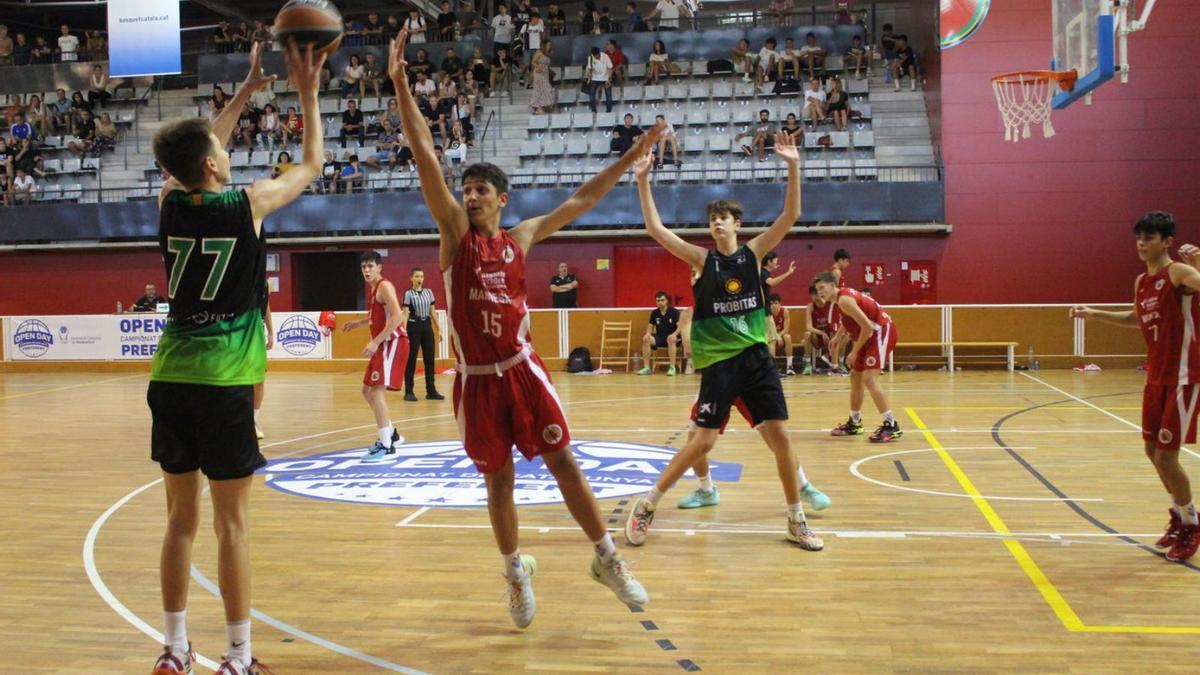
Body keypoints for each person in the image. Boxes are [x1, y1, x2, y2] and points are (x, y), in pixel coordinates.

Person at [387, 28, 661, 628]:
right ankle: (515, 573)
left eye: (482, 190)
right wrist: (401, 84)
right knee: (499, 483)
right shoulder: (455, 238)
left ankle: (607, 560)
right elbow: (427, 157)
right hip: (478, 380)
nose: (471, 195)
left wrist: (629, 156)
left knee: (566, 463)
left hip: (523, 369)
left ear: (502, 199)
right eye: (467, 190)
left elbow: (583, 200)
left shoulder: (520, 237)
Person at [146, 40, 326, 675]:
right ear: (215, 168)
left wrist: (245, 92)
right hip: (224, 380)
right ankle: (240, 658)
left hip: (170, 373)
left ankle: (173, 650)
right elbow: (311, 162)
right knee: (232, 528)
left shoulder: (170, 203)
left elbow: (193, 154)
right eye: (222, 152)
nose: (228, 151)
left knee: (178, 523)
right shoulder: (246, 203)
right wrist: (305, 87)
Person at [624, 130, 825, 552]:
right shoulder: (703, 259)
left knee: (781, 437)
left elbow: (790, 216)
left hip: (755, 359)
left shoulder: (753, 254)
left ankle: (796, 517)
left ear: (738, 224)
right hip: (719, 365)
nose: (717, 222)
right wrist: (643, 180)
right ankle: (647, 505)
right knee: (703, 440)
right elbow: (655, 229)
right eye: (712, 218)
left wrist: (792, 166)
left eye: (725, 217)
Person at [1070, 212, 1200, 562]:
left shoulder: (1180, 273)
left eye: (1150, 238)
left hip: (1183, 376)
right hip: (1155, 376)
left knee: (1166, 457)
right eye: (1139, 238)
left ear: (1167, 241)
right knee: (1150, 451)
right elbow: (1135, 317)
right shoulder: (1142, 281)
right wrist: (1094, 313)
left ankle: (1191, 522)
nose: (1142, 244)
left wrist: (1199, 262)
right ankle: (1179, 513)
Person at [340, 252, 410, 461]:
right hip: (385, 344)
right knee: (367, 391)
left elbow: (398, 315)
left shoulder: (384, 286)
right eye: (363, 267)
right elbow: (377, 316)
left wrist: (376, 341)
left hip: (393, 342)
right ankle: (392, 435)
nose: (366, 271)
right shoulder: (374, 290)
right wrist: (358, 323)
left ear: (379, 267)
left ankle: (387, 446)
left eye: (370, 266)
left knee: (377, 392)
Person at [816, 274, 901, 443]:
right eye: (817, 290)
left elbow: (867, 327)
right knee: (856, 377)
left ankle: (891, 425)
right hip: (870, 335)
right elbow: (850, 319)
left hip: (880, 332)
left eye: (822, 288)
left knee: (869, 379)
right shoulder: (841, 300)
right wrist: (838, 337)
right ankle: (855, 422)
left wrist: (854, 351)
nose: (820, 293)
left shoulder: (843, 300)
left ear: (833, 285)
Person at [402, 267, 445, 402]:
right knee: (411, 359)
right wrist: (403, 332)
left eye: (421, 276)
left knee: (429, 360)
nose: (419, 279)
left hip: (426, 326)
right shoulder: (408, 294)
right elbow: (405, 314)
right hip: (413, 326)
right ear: (411, 278)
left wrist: (440, 329)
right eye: (417, 276)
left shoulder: (429, 292)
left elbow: (433, 312)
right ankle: (409, 392)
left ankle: (431, 391)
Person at [637, 291, 682, 376]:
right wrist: (647, 334)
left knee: (671, 338)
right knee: (646, 339)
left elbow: (680, 327)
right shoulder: (654, 313)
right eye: (658, 301)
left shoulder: (674, 312)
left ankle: (672, 367)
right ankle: (647, 368)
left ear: (666, 301)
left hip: (673, 338)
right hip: (660, 338)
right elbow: (650, 328)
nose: (660, 302)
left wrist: (674, 334)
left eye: (662, 300)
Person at [253, 287, 274, 440]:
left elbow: (265, 306)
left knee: (259, 380)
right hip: (238, 331)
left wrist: (271, 332)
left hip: (257, 333)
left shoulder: (265, 285)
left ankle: (253, 421)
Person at [802, 284, 832, 375]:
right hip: (817, 336)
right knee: (807, 334)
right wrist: (821, 333)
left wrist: (826, 333)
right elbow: (808, 326)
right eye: (812, 294)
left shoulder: (829, 305)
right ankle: (808, 364)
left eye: (816, 294)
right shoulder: (810, 307)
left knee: (838, 334)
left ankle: (836, 364)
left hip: (829, 335)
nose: (814, 297)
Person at [768, 293, 795, 374]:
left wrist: (778, 336)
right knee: (771, 341)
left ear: (780, 304)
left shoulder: (785, 311)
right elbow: (766, 330)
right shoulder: (766, 314)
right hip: (770, 337)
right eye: (771, 303)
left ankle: (789, 366)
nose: (773, 305)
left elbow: (786, 328)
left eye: (776, 303)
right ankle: (772, 368)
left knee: (788, 337)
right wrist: (775, 336)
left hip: (781, 337)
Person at [528, 42, 556, 114]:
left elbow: (547, 65)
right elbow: (533, 62)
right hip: (539, 73)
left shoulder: (548, 53)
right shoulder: (539, 52)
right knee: (544, 89)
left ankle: (540, 108)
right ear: (544, 45)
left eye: (550, 44)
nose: (550, 46)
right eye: (548, 44)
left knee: (543, 90)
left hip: (545, 73)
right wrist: (539, 66)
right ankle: (538, 107)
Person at [585, 46, 613, 113]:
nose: (596, 57)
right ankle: (594, 111)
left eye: (597, 55)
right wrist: (589, 78)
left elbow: (610, 68)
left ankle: (608, 111)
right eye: (594, 55)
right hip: (595, 78)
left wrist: (609, 79)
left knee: (609, 96)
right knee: (591, 97)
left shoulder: (605, 56)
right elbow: (589, 69)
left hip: (605, 78)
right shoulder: (591, 58)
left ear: (599, 53)